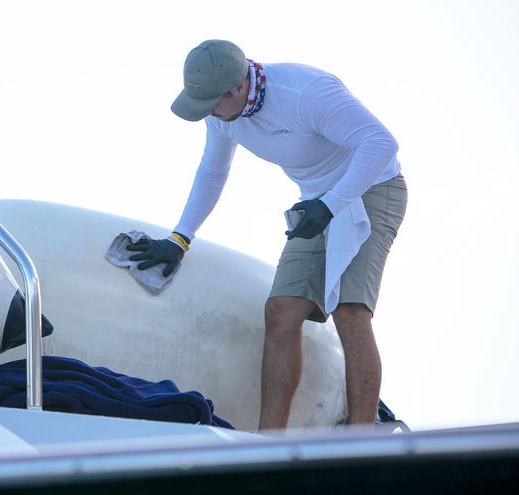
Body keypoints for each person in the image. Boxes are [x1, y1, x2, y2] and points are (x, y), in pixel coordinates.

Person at [127, 40, 407, 430]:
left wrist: (332, 204)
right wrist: (180, 238)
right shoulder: (222, 114)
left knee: (349, 309)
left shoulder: (306, 92)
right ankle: (268, 442)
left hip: (372, 187)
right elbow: (212, 172)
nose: (208, 113)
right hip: (315, 201)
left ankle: (361, 440)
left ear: (236, 88)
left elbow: (381, 143)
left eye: (211, 103)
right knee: (280, 311)